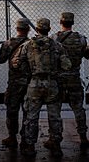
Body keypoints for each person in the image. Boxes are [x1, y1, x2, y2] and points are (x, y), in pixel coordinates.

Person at [14, 18, 71, 157]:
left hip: (34, 83)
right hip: (52, 84)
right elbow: (67, 65)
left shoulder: (27, 45)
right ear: (49, 29)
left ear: (37, 30)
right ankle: (56, 145)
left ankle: (30, 146)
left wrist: (29, 68)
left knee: (32, 116)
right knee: (54, 116)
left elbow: (16, 64)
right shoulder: (57, 46)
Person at [51, 11, 89, 148]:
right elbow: (85, 53)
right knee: (78, 108)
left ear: (61, 22)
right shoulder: (81, 38)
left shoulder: (54, 38)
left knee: (56, 109)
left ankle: (55, 138)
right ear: (72, 23)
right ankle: (83, 137)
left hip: (59, 78)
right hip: (74, 77)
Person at [0, 18, 31, 148]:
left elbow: (0, 60)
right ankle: (25, 138)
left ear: (16, 29)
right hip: (29, 82)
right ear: (28, 29)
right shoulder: (32, 43)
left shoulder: (8, 43)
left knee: (12, 110)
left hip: (14, 82)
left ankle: (12, 137)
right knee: (28, 111)